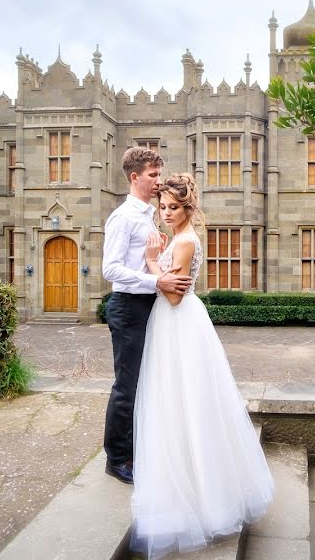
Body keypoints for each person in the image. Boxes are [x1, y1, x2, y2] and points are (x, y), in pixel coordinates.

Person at [130, 173, 274, 559]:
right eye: (162, 207)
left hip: (179, 323)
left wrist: (149, 260)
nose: (166, 214)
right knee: (173, 401)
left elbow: (174, 297)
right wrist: (157, 257)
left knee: (187, 400)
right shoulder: (175, 239)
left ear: (188, 208)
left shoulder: (186, 241)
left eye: (173, 208)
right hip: (172, 325)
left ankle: (200, 493)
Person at [101, 147, 193, 485]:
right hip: (127, 306)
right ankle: (116, 459)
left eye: (159, 174)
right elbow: (110, 268)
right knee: (126, 386)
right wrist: (157, 279)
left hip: (146, 307)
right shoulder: (123, 217)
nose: (157, 181)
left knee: (142, 383)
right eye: (152, 175)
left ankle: (133, 449)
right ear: (134, 177)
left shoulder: (148, 216)